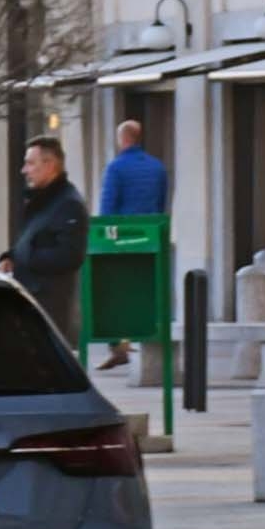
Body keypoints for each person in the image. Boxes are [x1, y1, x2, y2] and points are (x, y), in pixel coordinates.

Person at [0, 137, 89, 349]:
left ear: (50, 165)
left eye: (30, 163)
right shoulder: (43, 201)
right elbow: (33, 239)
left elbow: (70, 255)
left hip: (50, 308)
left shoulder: (68, 204)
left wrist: (26, 258)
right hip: (32, 302)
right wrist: (11, 256)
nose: (24, 170)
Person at [93, 122, 169, 369]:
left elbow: (107, 209)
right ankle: (143, 332)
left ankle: (119, 344)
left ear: (122, 139)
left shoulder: (116, 168)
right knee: (145, 287)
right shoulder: (157, 167)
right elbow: (161, 204)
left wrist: (104, 238)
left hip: (121, 240)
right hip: (149, 239)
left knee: (115, 291)